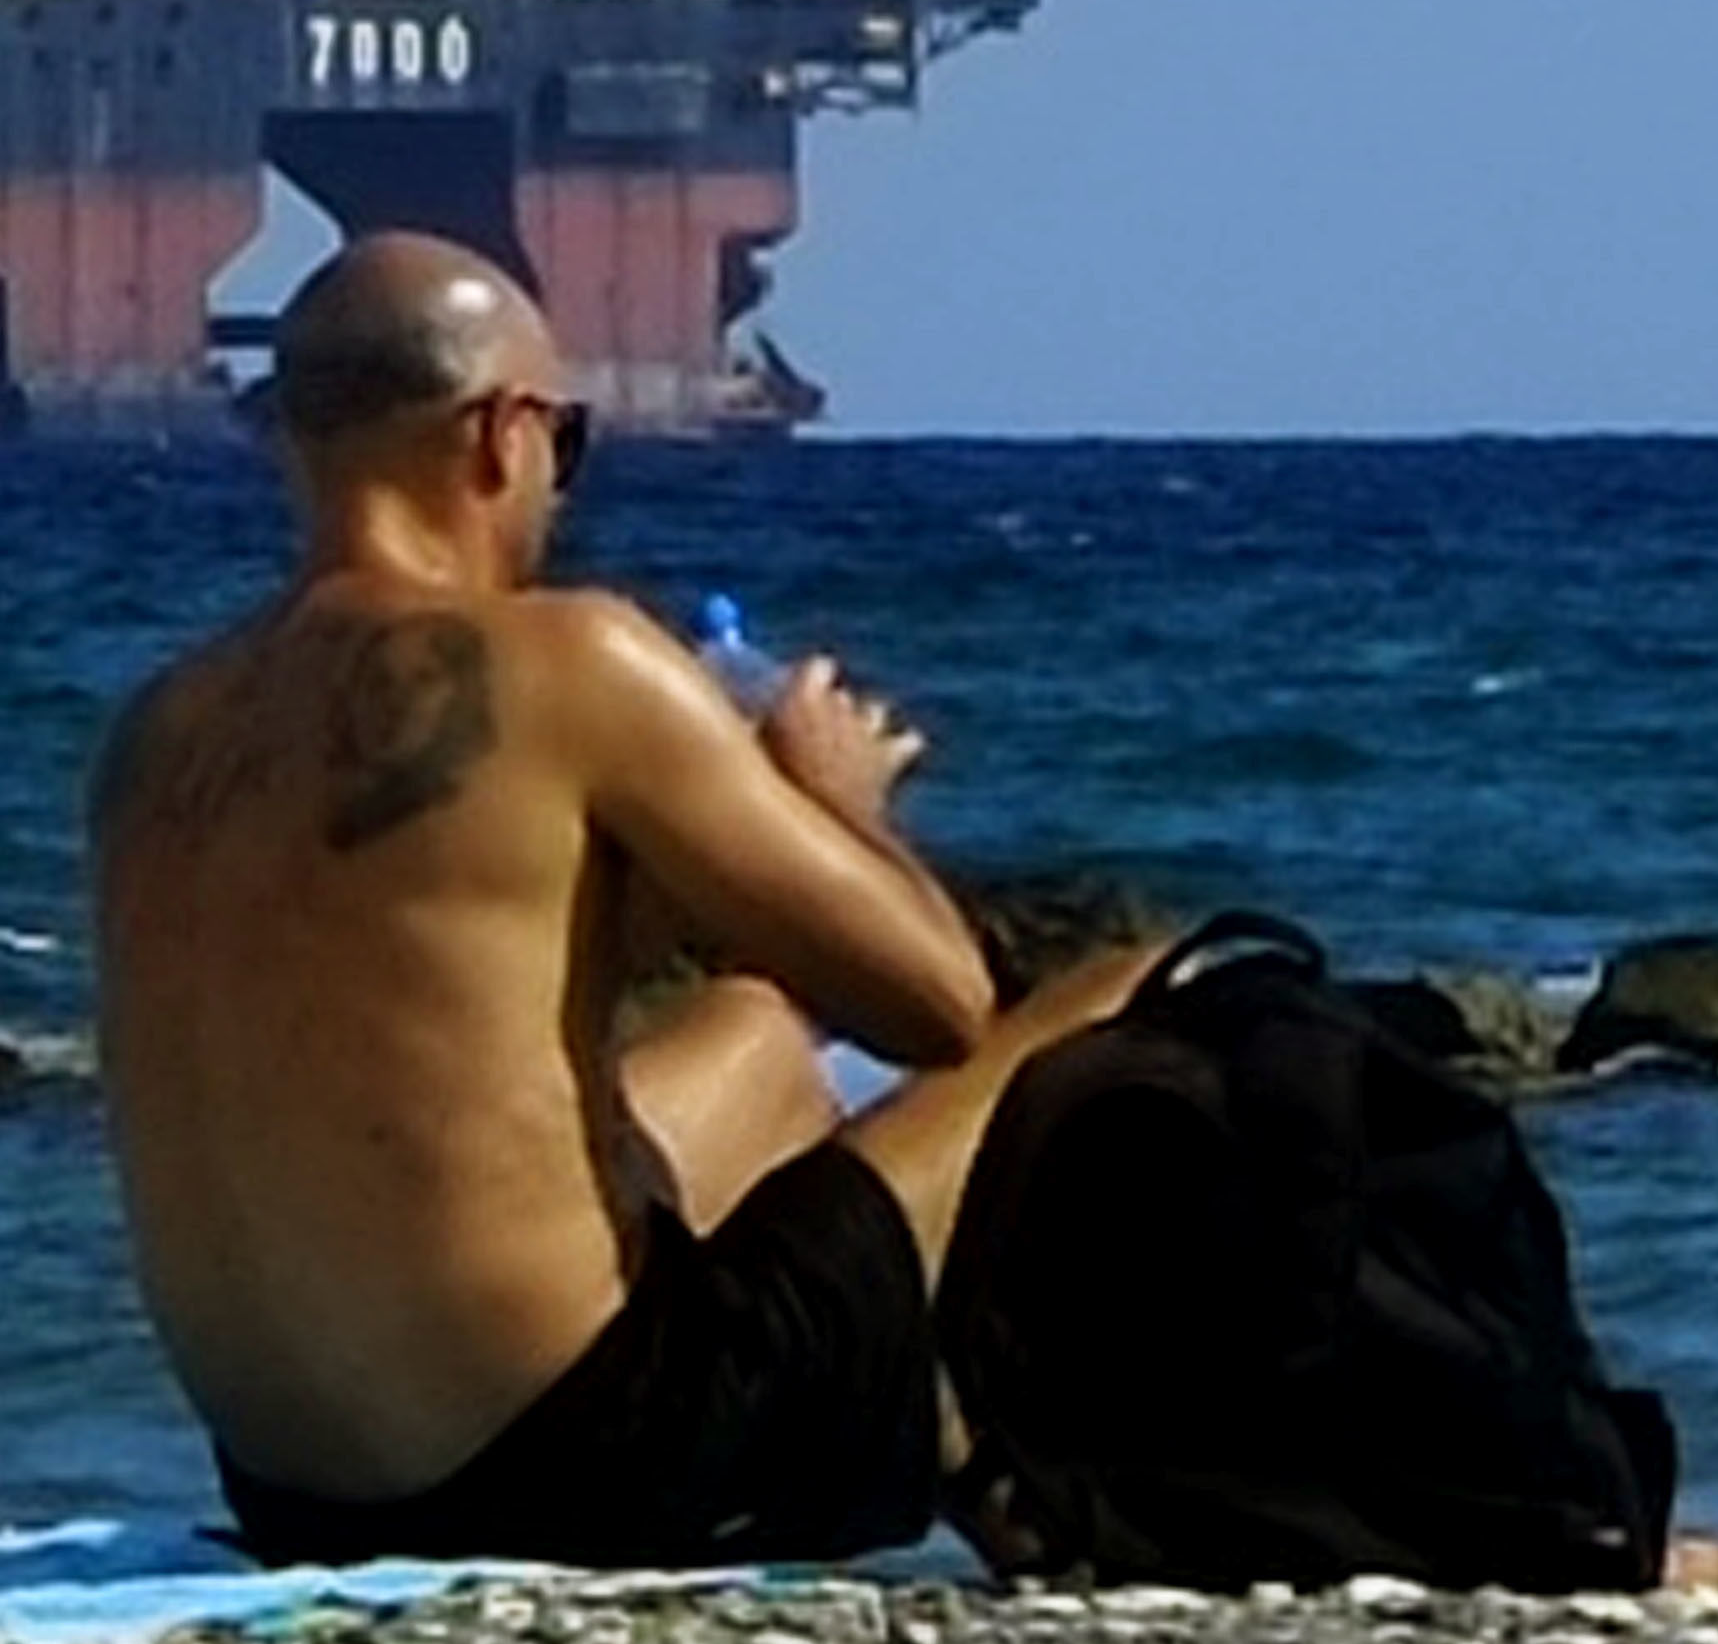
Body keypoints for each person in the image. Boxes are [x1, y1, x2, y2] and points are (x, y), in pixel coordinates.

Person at [86, 230, 1148, 1569]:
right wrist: (833, 804)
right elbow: (939, 1006)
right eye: (566, 440)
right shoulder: (575, 659)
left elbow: (449, 969)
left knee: (763, 1035)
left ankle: (958, 1447)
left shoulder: (155, 730)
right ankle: (1074, 1487)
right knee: (1144, 983)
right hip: (581, 1465)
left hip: (296, 1500)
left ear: (291, 442)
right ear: (498, 436)